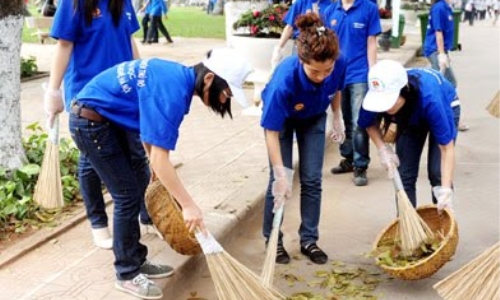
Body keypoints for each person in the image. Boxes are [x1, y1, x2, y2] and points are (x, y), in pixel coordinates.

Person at [44, 48, 252, 298]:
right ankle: (127, 273)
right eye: (226, 93)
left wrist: (155, 164)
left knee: (137, 188)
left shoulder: (175, 76)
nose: (223, 101)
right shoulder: (173, 92)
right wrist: (188, 206)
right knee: (127, 196)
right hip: (91, 124)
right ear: (209, 79)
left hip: (106, 120)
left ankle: (136, 260)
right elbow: (161, 158)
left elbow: (148, 129)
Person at [44, 0, 154, 250]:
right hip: (89, 96)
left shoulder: (122, 1)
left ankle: (146, 215)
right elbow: (64, 44)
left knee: (136, 154)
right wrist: (53, 90)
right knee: (91, 160)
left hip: (121, 91)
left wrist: (142, 75)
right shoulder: (74, 3)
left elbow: (129, 40)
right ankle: (98, 223)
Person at [261, 13, 346, 265]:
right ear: (301, 60)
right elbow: (271, 132)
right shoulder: (283, 80)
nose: (322, 76)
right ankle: (273, 240)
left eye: (326, 70)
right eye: (314, 72)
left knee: (312, 179)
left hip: (314, 117)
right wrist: (279, 173)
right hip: (283, 121)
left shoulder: (339, 63)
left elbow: (336, 89)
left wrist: (337, 116)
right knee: (280, 181)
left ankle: (309, 239)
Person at [358, 60, 459, 212]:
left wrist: (445, 190)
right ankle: (408, 227)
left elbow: (446, 148)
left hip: (444, 106)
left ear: (404, 90)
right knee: (405, 173)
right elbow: (368, 123)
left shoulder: (431, 99)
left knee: (437, 173)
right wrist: (382, 149)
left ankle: (442, 223)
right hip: (409, 118)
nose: (385, 108)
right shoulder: (377, 90)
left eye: (389, 102)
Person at [323, 0, 381, 186]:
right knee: (343, 119)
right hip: (337, 74)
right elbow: (326, 42)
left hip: (359, 75)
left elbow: (371, 42)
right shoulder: (331, 10)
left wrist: (372, 72)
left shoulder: (369, 8)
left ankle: (360, 165)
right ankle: (348, 158)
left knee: (359, 122)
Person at [424, 0, 469, 132]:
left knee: (441, 84)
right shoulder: (439, 8)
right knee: (447, 83)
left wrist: (446, 52)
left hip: (440, 50)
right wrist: (442, 54)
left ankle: (441, 116)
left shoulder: (446, 7)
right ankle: (450, 118)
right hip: (435, 50)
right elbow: (438, 33)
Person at [271, 0, 333, 67]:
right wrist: (279, 48)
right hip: (301, 46)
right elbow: (290, 27)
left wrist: (318, 26)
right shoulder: (301, 2)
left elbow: (328, 31)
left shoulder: (330, 6)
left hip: (319, 48)